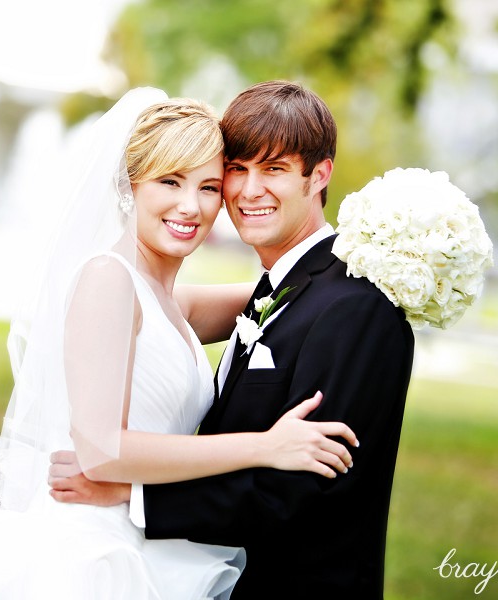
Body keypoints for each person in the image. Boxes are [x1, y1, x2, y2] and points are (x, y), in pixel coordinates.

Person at [0, 88, 358, 600]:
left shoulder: (169, 299)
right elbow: (100, 451)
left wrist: (378, 256)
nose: (191, 206)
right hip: (89, 556)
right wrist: (266, 446)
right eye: (169, 181)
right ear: (129, 186)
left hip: (146, 539)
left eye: (208, 186)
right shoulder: (107, 280)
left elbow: (298, 288)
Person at [50, 80, 415, 598]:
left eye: (274, 170)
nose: (247, 191)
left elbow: (303, 488)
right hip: (124, 555)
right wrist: (264, 447)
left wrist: (135, 497)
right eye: (237, 171)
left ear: (320, 175)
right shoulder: (270, 290)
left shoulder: (353, 304)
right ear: (131, 186)